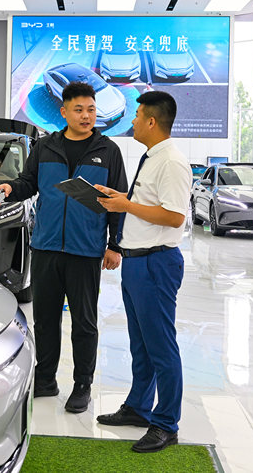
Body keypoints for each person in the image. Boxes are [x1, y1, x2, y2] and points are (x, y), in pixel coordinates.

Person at [0, 81, 127, 414]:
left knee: (84, 322)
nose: (86, 116)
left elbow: (119, 201)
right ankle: (46, 378)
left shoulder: (108, 150)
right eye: (79, 110)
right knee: (46, 319)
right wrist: (10, 187)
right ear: (64, 112)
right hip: (46, 246)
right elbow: (28, 183)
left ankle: (82, 385)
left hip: (86, 250)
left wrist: (115, 245)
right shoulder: (45, 147)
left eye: (91, 109)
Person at [94, 90, 190, 454]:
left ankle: (166, 424)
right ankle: (138, 406)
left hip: (156, 263)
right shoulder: (153, 158)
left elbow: (174, 216)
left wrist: (126, 205)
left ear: (152, 121)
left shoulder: (172, 162)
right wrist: (121, 198)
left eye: (137, 116)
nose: (132, 121)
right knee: (141, 344)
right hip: (136, 262)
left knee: (161, 346)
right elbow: (148, 205)